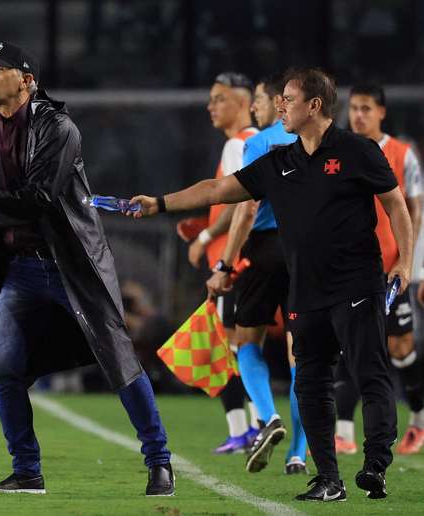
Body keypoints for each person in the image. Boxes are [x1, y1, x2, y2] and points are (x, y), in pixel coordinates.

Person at [0, 41, 174, 496]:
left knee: (118, 360)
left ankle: (159, 461)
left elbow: (38, 198)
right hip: (20, 271)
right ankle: (27, 472)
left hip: (73, 266)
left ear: (25, 79)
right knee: (3, 368)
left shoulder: (60, 128)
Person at [128, 68, 411, 502]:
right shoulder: (281, 161)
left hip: (358, 284)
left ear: (314, 105)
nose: (279, 106)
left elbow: (396, 206)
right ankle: (328, 479)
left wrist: (406, 263)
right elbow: (218, 189)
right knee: (310, 382)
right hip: (307, 290)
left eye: (288, 99)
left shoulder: (359, 151)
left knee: (369, 373)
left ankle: (375, 465)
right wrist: (160, 203)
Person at [205, 74, 308, 475]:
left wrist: (225, 265)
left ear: (276, 105)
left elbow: (246, 208)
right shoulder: (320, 144)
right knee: (302, 355)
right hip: (308, 253)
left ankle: (267, 417)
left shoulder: (258, 143)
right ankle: (299, 452)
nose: (260, 109)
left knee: (247, 340)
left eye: (264, 102)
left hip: (264, 250)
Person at [332, 83, 424, 456]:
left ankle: (418, 422)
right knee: (349, 346)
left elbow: (415, 211)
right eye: (354, 108)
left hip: (392, 269)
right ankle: (343, 431)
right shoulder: (337, 150)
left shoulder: (403, 155)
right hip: (351, 269)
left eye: (366, 108)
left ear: (382, 112)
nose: (359, 115)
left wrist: (413, 265)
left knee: (400, 348)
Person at [190, 72, 261, 455]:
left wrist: (205, 238)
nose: (211, 106)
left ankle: (248, 429)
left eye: (219, 99)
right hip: (249, 260)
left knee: (228, 347)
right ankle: (251, 427)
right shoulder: (257, 143)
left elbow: (240, 204)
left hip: (232, 263)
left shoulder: (238, 144)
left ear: (241, 103)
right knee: (241, 346)